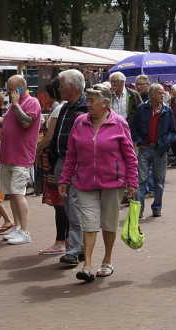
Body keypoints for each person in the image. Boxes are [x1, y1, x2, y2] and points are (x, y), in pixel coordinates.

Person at [58, 84, 138, 281]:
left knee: (108, 223)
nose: (88, 104)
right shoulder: (79, 122)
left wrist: (132, 181)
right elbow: (71, 154)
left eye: (92, 101)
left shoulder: (119, 123)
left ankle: (107, 260)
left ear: (105, 104)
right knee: (89, 223)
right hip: (85, 182)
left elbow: (130, 156)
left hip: (113, 182)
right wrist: (64, 178)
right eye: (88, 100)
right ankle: (87, 265)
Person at [47, 69, 88, 265]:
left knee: (74, 206)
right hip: (63, 162)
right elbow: (57, 136)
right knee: (69, 206)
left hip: (78, 164)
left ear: (71, 87)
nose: (59, 89)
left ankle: (74, 249)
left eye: (61, 85)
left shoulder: (87, 107)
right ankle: (78, 247)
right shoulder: (65, 107)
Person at [0, 75, 41, 245]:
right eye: (8, 88)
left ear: (21, 88)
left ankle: (24, 230)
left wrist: (16, 105)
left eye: (12, 88)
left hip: (21, 156)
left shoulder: (32, 102)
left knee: (18, 192)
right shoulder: (12, 105)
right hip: (8, 155)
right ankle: (17, 226)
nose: (9, 92)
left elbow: (26, 123)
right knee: (12, 194)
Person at [132, 83, 176, 218]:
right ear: (151, 94)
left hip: (160, 150)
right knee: (141, 181)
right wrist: (139, 141)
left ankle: (157, 207)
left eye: (163, 93)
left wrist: (164, 143)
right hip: (145, 149)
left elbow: (172, 131)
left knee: (159, 181)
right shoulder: (142, 109)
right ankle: (139, 211)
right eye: (159, 93)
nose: (162, 95)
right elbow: (134, 128)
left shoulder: (167, 111)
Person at [38, 78, 68, 255]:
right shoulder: (60, 108)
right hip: (54, 159)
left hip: (54, 160)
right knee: (61, 202)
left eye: (46, 95)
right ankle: (65, 240)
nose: (44, 99)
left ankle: (61, 241)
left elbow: (49, 137)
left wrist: (36, 150)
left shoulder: (58, 109)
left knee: (60, 202)